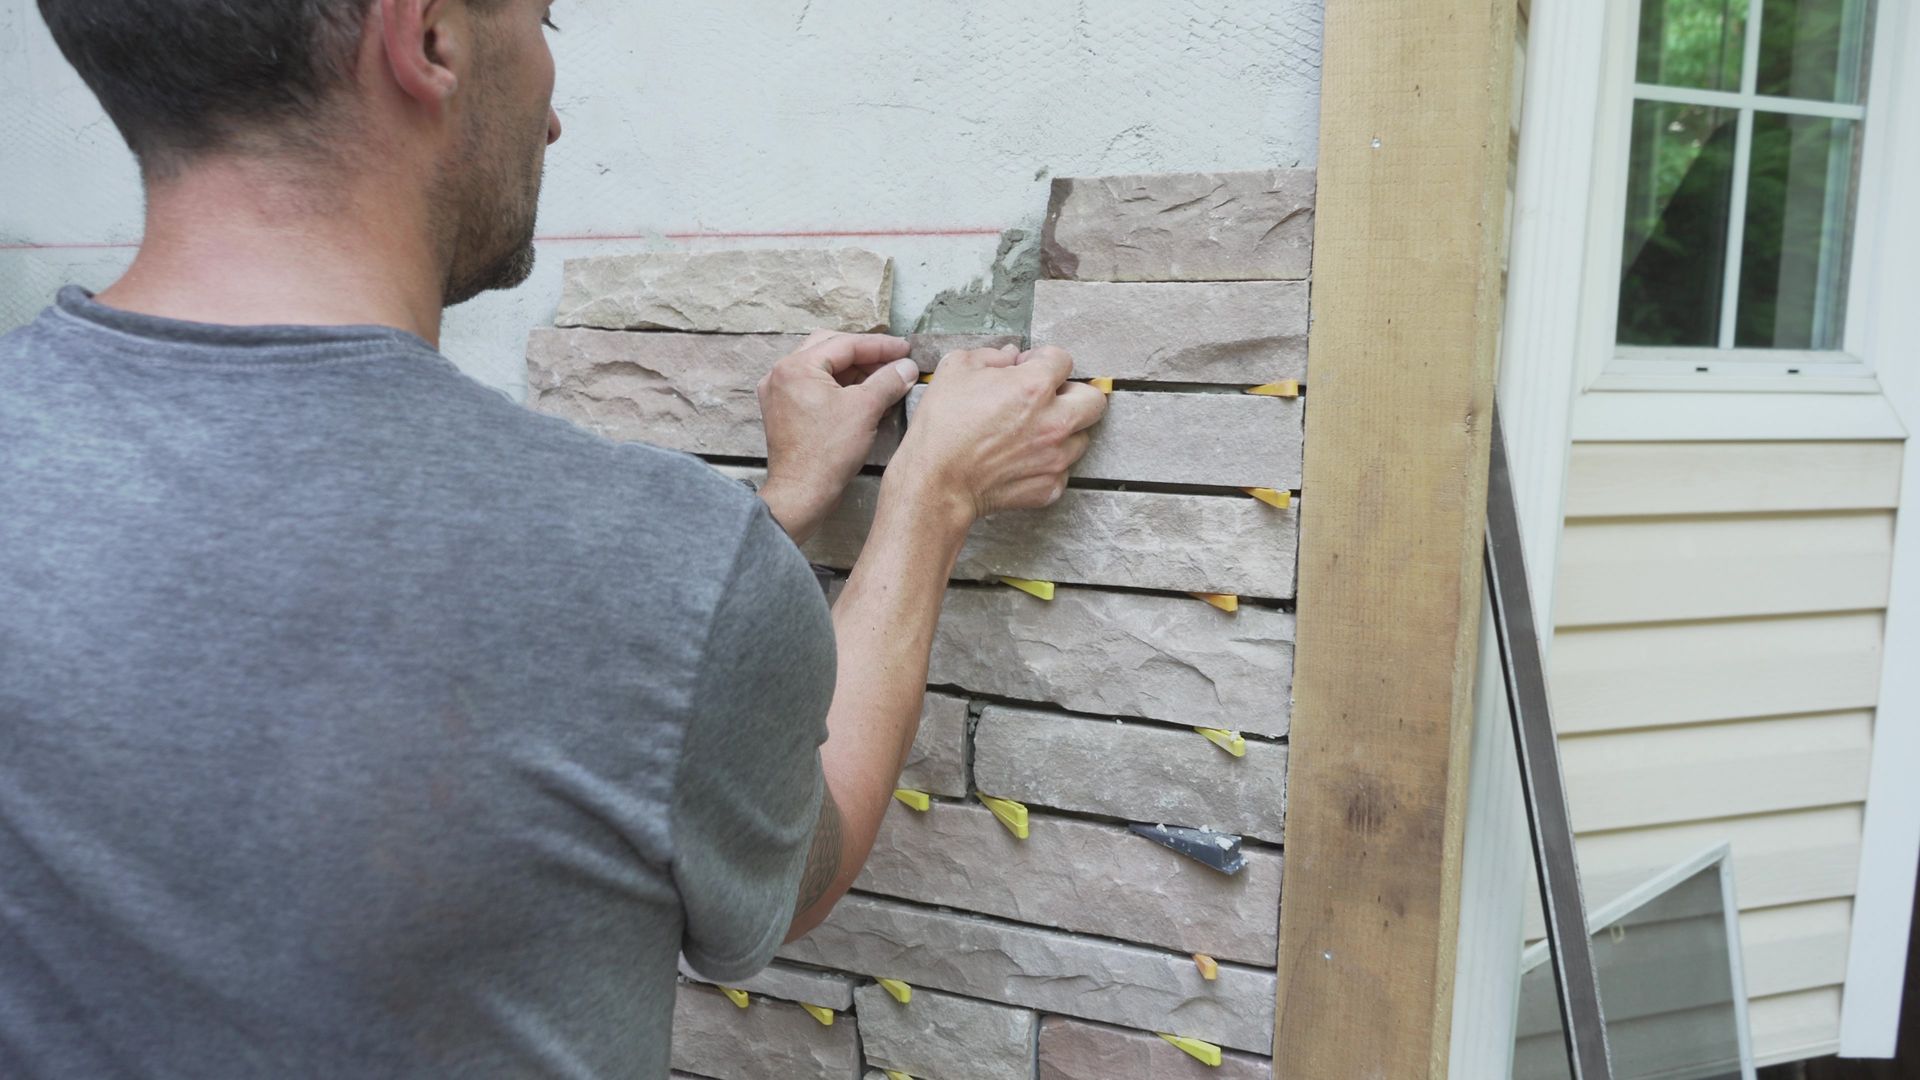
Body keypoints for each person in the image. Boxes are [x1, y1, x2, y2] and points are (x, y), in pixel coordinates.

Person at [0, 0, 1107, 1076]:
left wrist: (759, 522)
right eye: (544, 25)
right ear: (428, 37)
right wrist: (929, 500)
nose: (556, 113)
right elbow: (788, 879)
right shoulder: (657, 568)